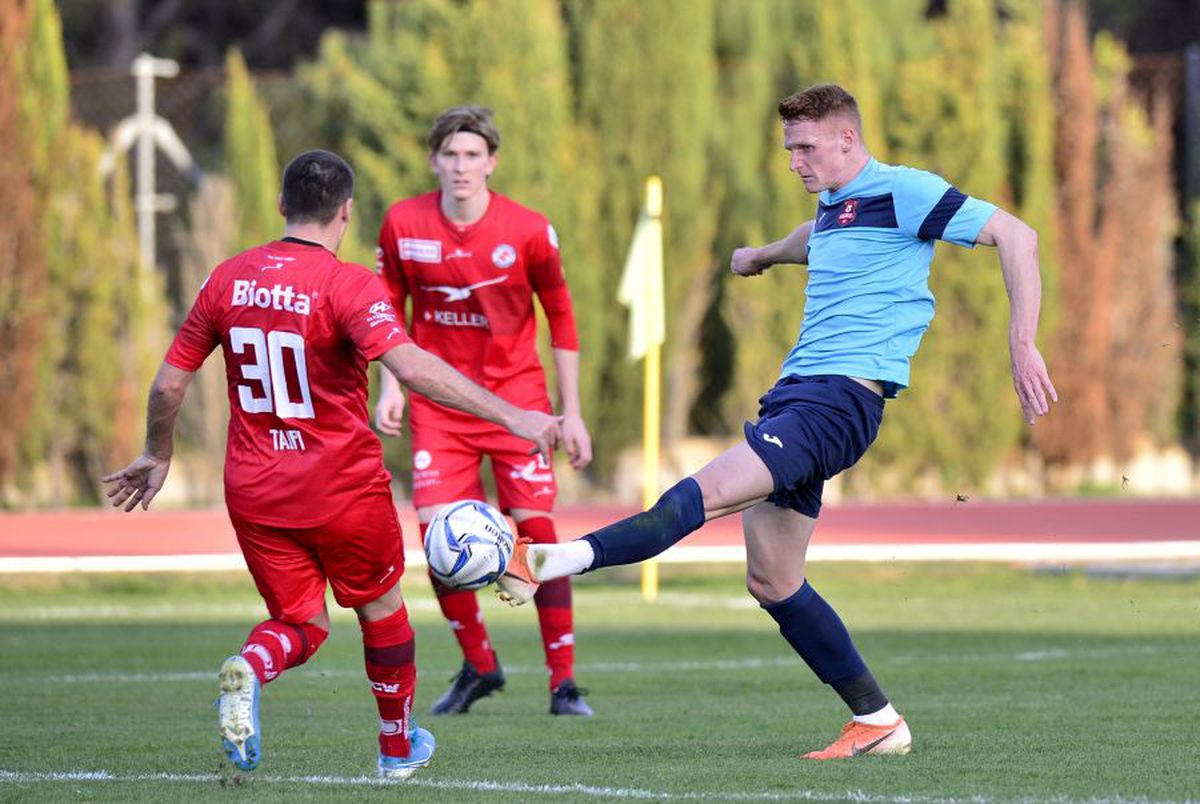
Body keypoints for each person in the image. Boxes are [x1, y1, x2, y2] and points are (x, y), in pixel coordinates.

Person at [498, 84, 1058, 758]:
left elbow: (1015, 236)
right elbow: (814, 237)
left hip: (838, 403)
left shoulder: (905, 191)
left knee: (700, 495)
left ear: (848, 139)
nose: (794, 160)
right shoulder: (833, 206)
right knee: (772, 579)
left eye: (805, 147)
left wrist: (1021, 343)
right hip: (799, 397)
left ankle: (551, 561)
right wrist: (762, 254)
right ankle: (878, 721)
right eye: (789, 147)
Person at [102, 149, 563, 780]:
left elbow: (168, 385)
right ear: (346, 211)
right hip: (339, 487)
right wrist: (515, 416)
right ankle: (398, 749)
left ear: (283, 205)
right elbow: (413, 368)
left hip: (255, 489)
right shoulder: (347, 284)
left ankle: (252, 667)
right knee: (381, 611)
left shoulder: (227, 277)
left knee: (301, 623)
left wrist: (158, 452)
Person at [374, 106, 594, 717]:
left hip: (519, 402)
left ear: (492, 162)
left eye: (473, 155)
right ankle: (480, 664)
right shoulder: (403, 223)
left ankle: (564, 683)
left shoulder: (527, 230)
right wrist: (390, 386)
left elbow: (563, 318)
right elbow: (385, 311)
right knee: (438, 541)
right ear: (434, 161)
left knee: (539, 534)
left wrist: (570, 411)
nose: (462, 166)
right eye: (451, 155)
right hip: (439, 406)